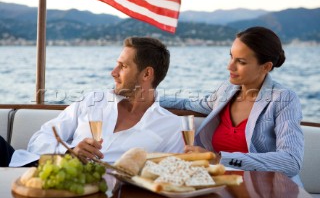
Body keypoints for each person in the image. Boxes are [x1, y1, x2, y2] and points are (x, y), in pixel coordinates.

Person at [160, 26, 304, 186]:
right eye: (231, 57)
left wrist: (218, 158)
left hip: (266, 190)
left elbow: (291, 162)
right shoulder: (226, 90)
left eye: (241, 62)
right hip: (219, 185)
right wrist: (148, 97)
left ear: (266, 67)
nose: (230, 67)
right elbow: (188, 103)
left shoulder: (284, 99)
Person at [10, 37, 184, 166]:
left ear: (147, 74)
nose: (113, 72)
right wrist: (69, 152)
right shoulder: (93, 100)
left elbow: (173, 174)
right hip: (48, 171)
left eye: (123, 66)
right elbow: (39, 139)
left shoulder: (172, 127)